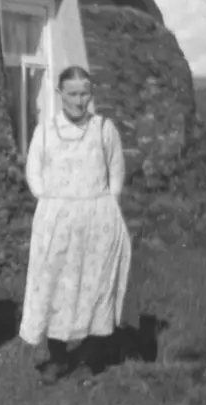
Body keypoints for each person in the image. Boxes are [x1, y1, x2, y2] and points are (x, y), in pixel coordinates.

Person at [19, 65, 133, 384]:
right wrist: (50, 201)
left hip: (98, 219)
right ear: (59, 94)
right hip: (57, 219)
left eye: (84, 94)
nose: (79, 101)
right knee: (56, 287)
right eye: (72, 94)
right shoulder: (46, 131)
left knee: (95, 286)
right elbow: (34, 170)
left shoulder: (103, 129)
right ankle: (57, 358)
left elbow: (116, 170)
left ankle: (87, 359)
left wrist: (106, 205)